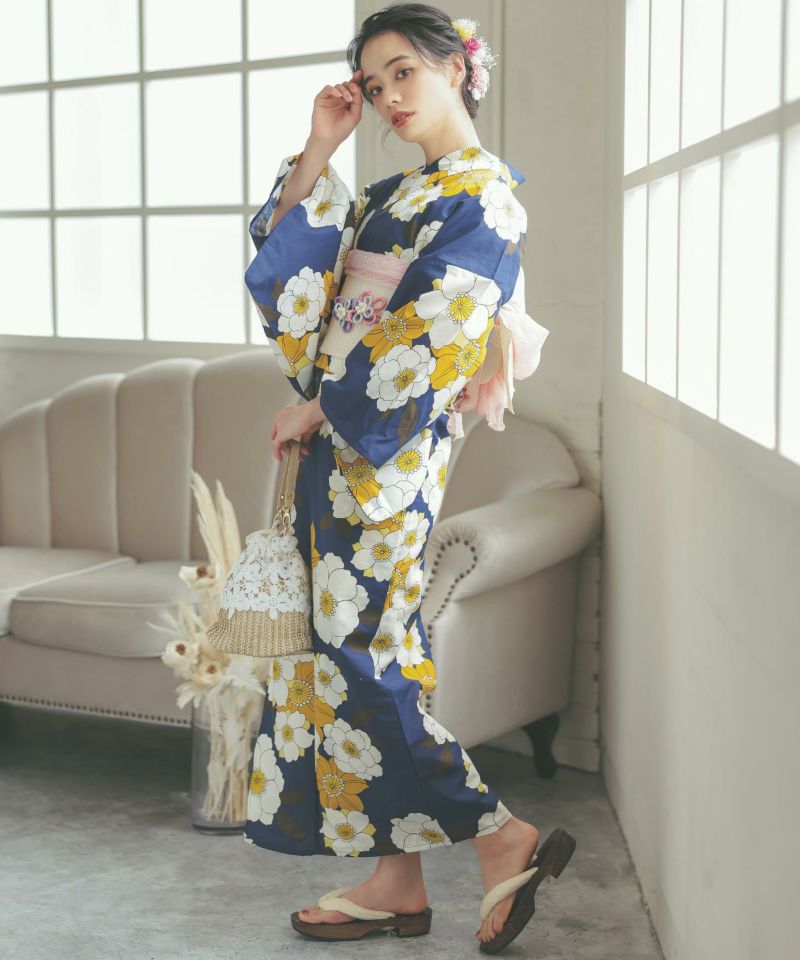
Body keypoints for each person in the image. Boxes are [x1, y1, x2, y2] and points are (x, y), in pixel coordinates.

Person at [242, 2, 574, 952]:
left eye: (404, 74)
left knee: (364, 656)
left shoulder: (487, 197)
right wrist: (321, 143)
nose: (389, 97)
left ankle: (502, 835)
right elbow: (299, 277)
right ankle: (396, 881)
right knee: (353, 650)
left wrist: (323, 405)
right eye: (373, 83)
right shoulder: (394, 195)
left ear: (456, 67)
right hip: (339, 444)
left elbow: (432, 332)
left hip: (384, 448)